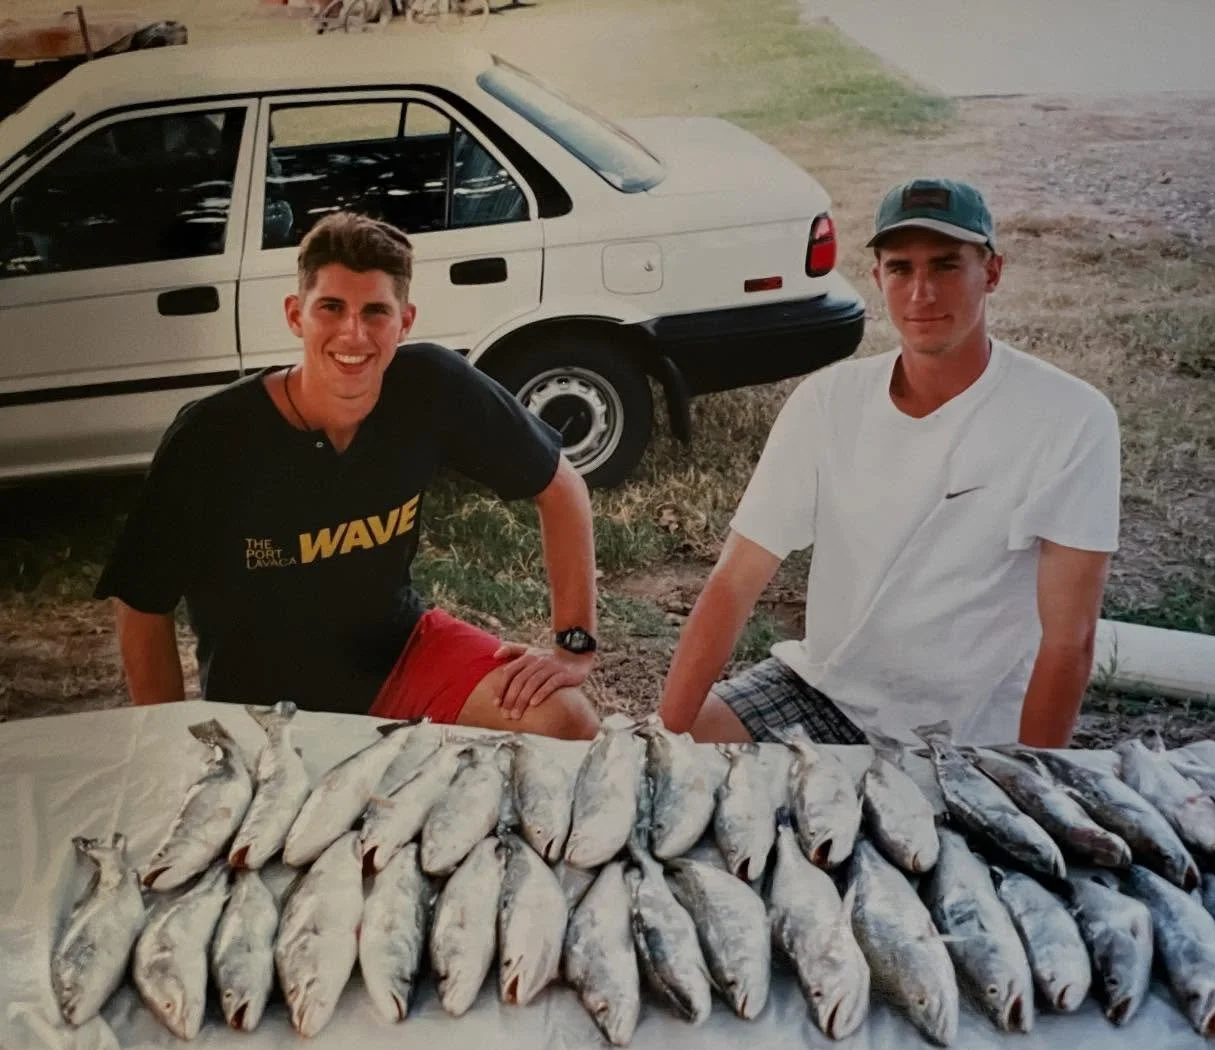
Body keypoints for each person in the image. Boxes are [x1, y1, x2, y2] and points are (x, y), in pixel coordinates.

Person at [95, 211, 601, 737]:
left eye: (376, 311)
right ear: (296, 315)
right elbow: (141, 604)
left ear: (404, 322)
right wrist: (172, 742)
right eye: (331, 307)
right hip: (267, 705)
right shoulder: (213, 433)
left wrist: (574, 647)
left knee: (565, 720)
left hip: (401, 654)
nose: (353, 333)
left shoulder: (431, 385)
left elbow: (560, 485)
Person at [657, 178, 1120, 748]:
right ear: (877, 277)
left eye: (946, 265)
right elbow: (735, 582)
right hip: (822, 688)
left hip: (969, 730)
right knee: (682, 759)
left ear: (992, 272)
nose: (922, 292)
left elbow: (1069, 641)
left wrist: (1031, 785)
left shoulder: (1070, 417)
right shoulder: (828, 402)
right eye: (901, 269)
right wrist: (665, 738)